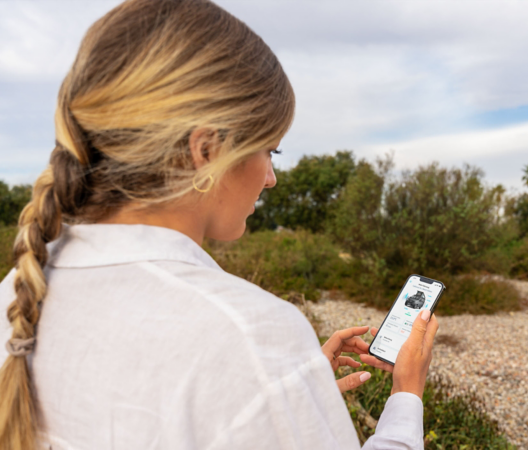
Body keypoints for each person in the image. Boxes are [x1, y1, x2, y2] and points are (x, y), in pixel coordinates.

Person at [0, 0, 439, 449]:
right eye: (270, 149)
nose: (271, 178)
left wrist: (282, 395)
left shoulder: (16, 293)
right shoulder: (249, 336)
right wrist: (406, 396)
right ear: (206, 150)